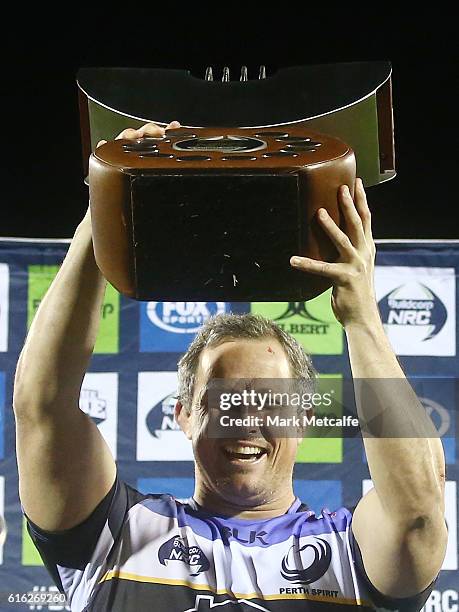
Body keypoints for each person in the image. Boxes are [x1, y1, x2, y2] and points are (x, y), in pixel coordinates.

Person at [13, 122, 447, 612]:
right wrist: (107, 207)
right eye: (223, 401)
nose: (245, 418)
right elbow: (42, 405)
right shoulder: (115, 536)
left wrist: (363, 317)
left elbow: (418, 513)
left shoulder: (349, 552)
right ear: (182, 415)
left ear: (302, 419)